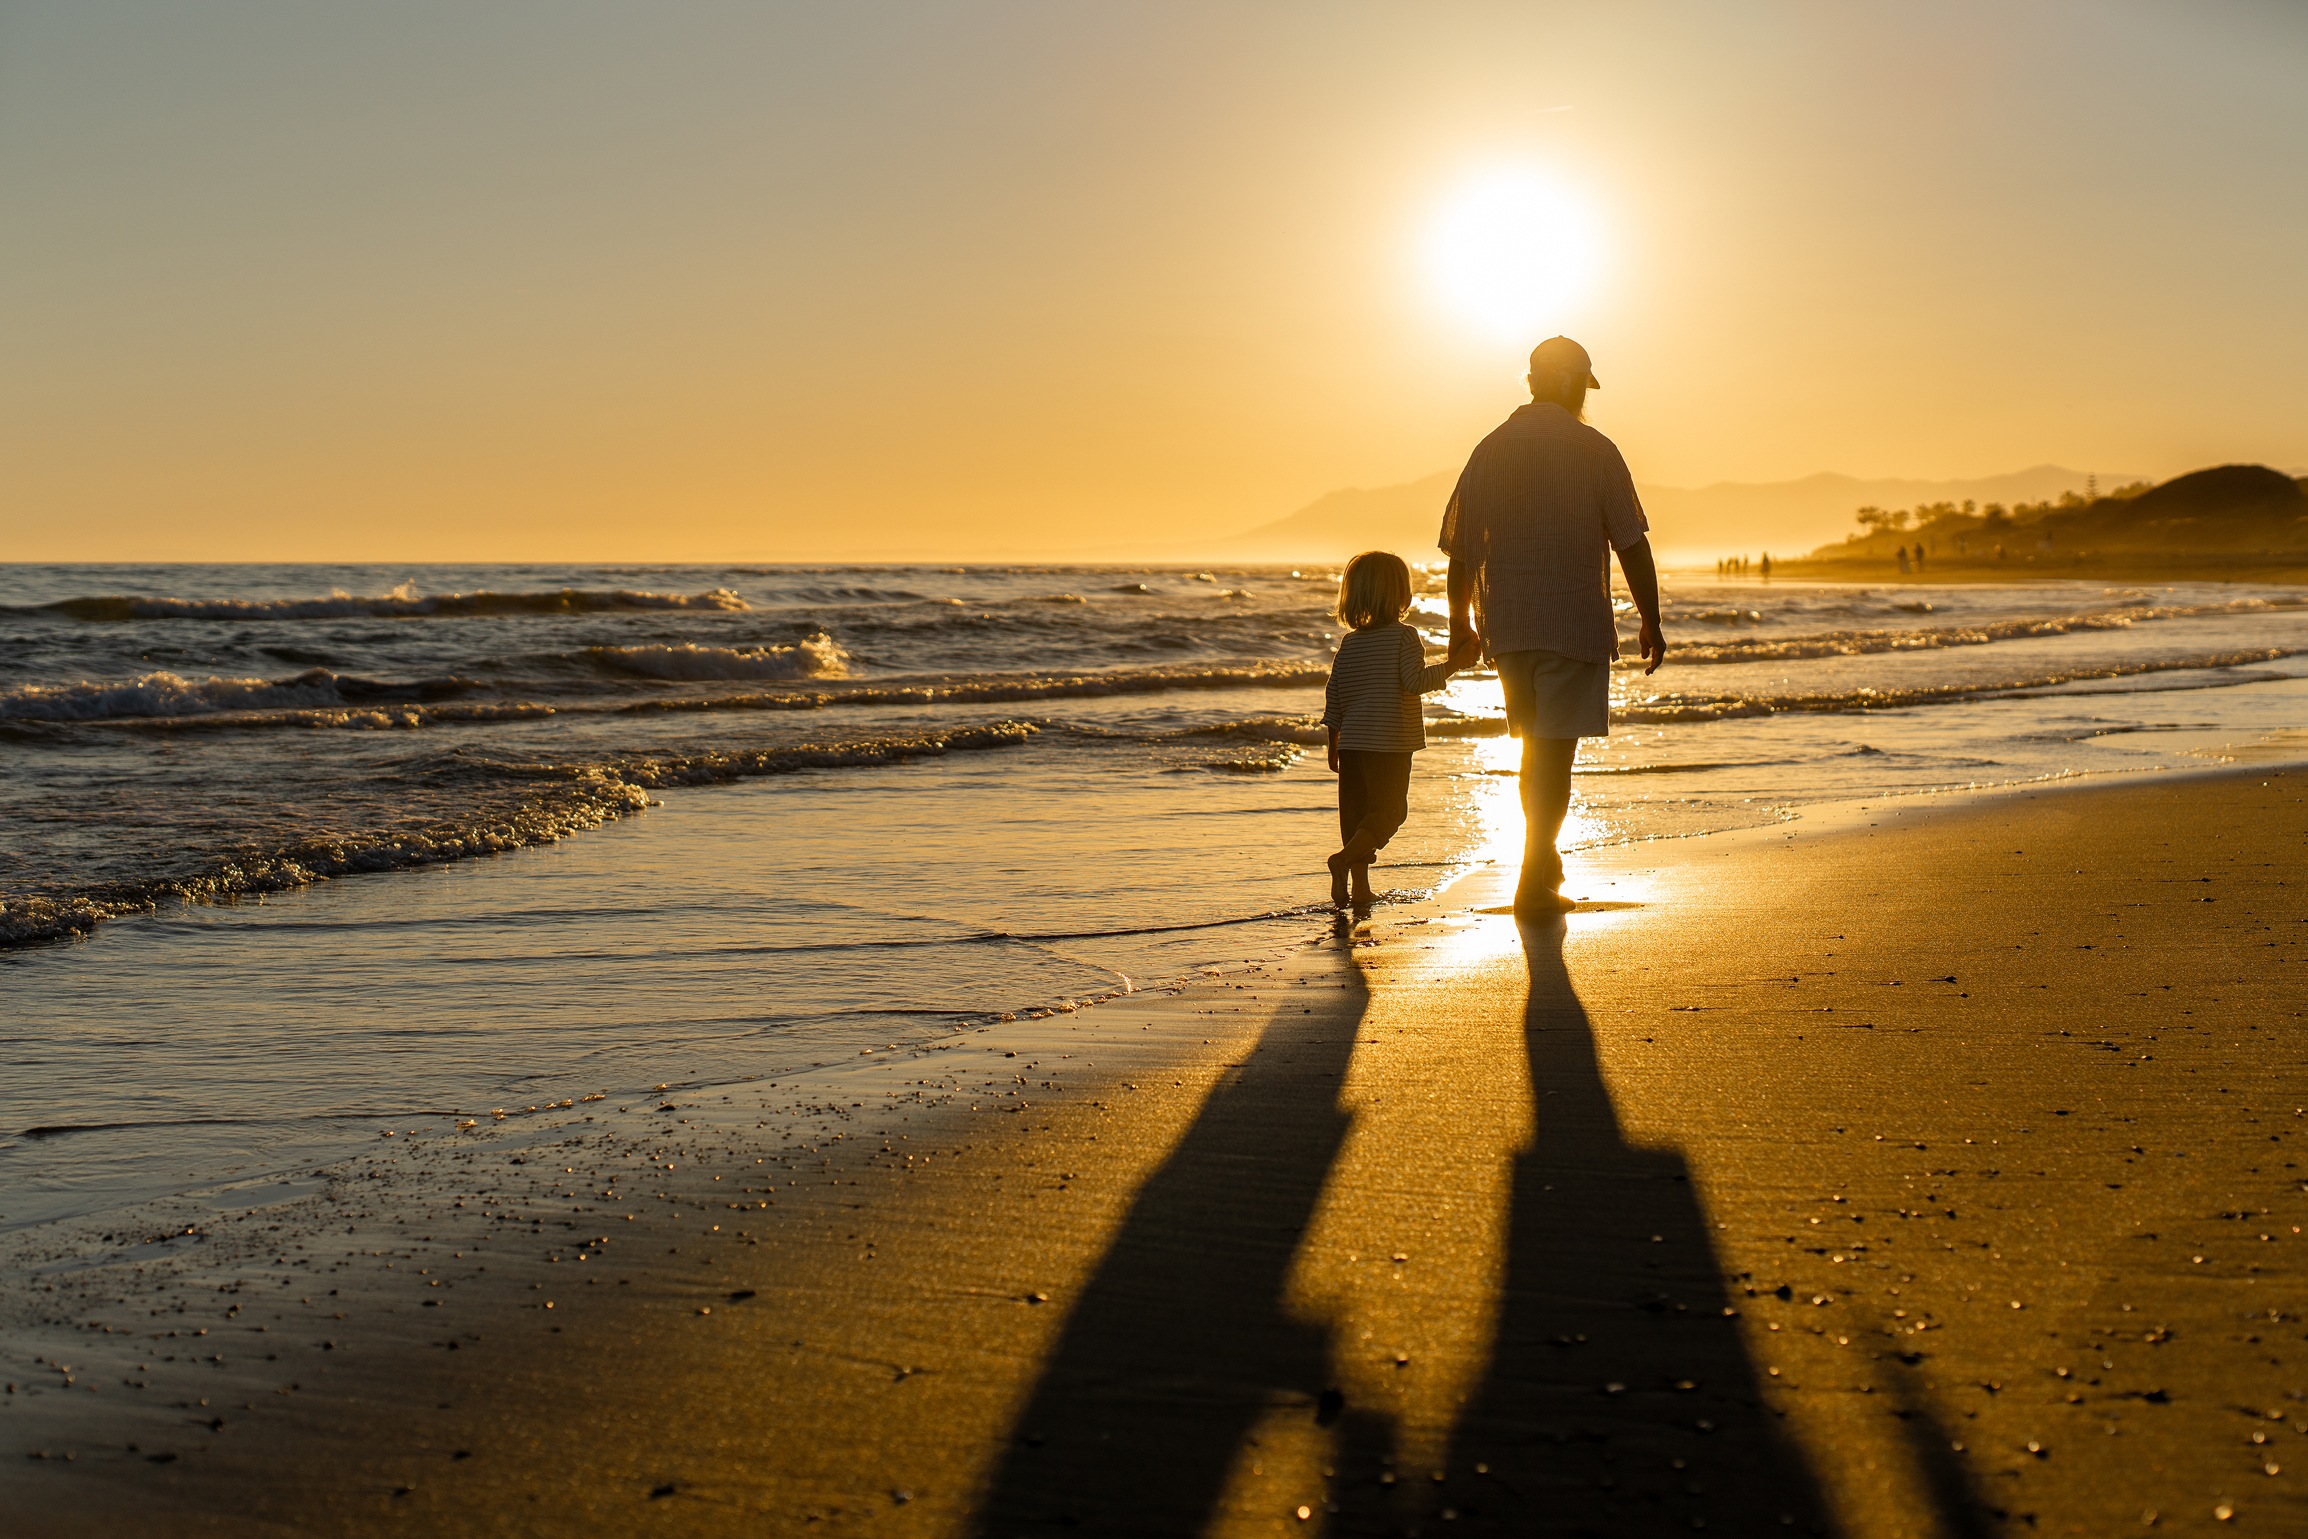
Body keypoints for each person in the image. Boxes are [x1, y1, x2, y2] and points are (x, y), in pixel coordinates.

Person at [1441, 336, 1665, 916]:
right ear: (1571, 385)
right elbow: (1631, 543)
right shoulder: (1595, 450)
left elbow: (1461, 549)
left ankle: (1542, 864)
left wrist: (1461, 623)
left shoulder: (1492, 448)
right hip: (1572, 622)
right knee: (1554, 757)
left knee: (1533, 754)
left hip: (1511, 627)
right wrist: (1650, 620)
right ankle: (1530, 879)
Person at [1321, 551, 1476, 909]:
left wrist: (1333, 743)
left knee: (1357, 817)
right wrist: (1455, 664)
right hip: (1389, 743)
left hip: (1353, 744)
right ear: (1401, 595)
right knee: (1390, 812)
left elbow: (1336, 696)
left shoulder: (1350, 643)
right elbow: (1414, 681)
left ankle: (1359, 890)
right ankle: (1342, 861)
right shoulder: (1405, 636)